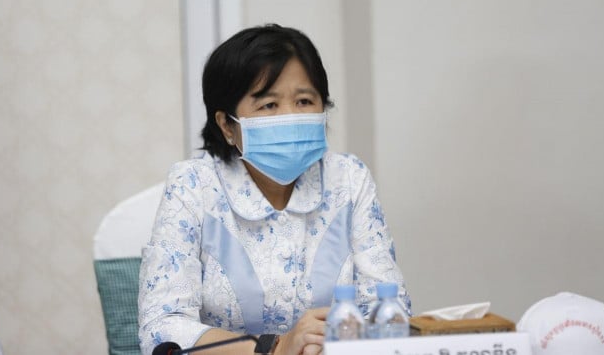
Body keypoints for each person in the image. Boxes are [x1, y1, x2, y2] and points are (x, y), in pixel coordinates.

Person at [138, 24, 411, 355]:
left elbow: (389, 307)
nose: (291, 117)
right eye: (269, 105)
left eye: (304, 101)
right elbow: (163, 327)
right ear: (226, 124)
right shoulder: (193, 185)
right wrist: (274, 349)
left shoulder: (349, 179)